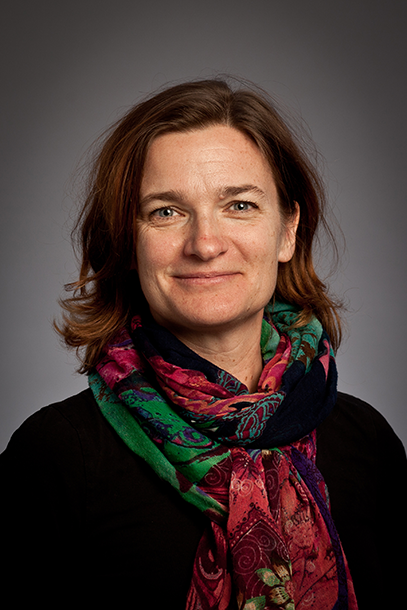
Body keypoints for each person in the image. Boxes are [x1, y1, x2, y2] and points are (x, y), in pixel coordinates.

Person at [1, 79, 406, 609]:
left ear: (287, 230)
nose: (205, 243)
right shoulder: (55, 457)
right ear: (128, 240)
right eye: (166, 212)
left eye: (239, 205)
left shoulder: (368, 443)